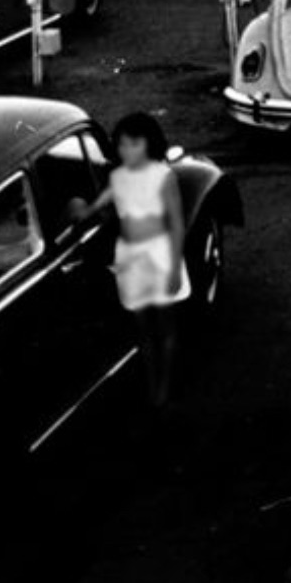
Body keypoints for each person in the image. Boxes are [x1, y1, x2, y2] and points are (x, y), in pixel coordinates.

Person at [90, 112, 189, 410]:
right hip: (132, 259)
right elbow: (102, 208)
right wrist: (82, 209)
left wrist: (173, 269)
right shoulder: (119, 178)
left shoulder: (163, 176)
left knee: (166, 326)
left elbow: (177, 225)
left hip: (160, 257)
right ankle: (151, 384)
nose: (127, 151)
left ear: (150, 144)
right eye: (121, 145)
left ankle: (165, 386)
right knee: (144, 329)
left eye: (134, 144)